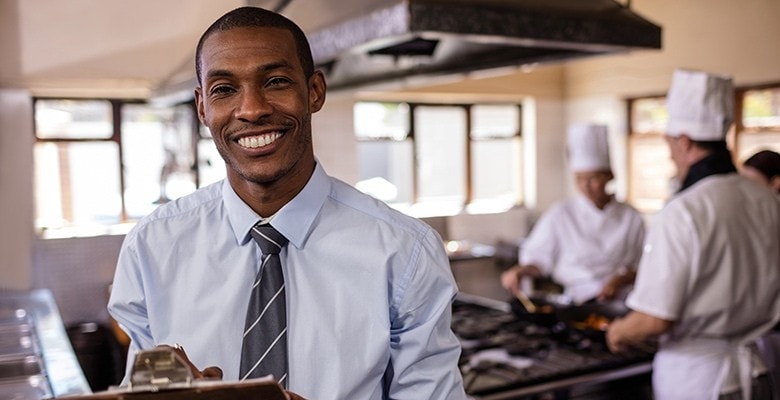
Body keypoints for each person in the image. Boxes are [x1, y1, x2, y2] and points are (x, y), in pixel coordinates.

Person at [107, 6, 468, 400]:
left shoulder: (405, 252)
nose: (252, 109)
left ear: (314, 91)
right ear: (202, 107)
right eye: (224, 89)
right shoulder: (152, 247)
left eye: (276, 81)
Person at [606, 69, 780, 400]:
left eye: (669, 143)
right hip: (758, 372)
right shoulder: (766, 200)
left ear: (683, 141)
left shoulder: (683, 210)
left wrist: (619, 330)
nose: (670, 153)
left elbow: (656, 319)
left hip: (700, 381)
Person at [500, 123, 646, 304]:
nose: (586, 186)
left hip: (623, 301)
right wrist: (520, 271)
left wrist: (618, 281)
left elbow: (644, 264)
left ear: (609, 176)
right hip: (577, 302)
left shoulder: (630, 216)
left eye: (593, 178)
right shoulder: (561, 214)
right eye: (579, 179)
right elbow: (539, 258)